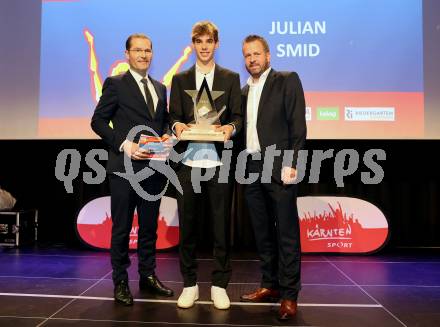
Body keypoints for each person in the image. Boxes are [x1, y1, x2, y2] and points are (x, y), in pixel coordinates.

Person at [91, 33, 173, 306]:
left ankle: (148, 277)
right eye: (137, 50)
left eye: (147, 50)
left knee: (149, 228)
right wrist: (123, 144)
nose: (143, 55)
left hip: (154, 169)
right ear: (127, 54)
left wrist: (167, 136)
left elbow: (163, 123)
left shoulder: (161, 87)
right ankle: (121, 282)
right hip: (124, 169)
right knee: (122, 228)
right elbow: (98, 122)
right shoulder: (115, 84)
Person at [169, 21, 242, 310]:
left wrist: (230, 129)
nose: (203, 46)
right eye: (198, 41)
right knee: (187, 227)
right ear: (193, 43)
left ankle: (219, 285)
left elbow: (238, 116)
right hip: (187, 162)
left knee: (221, 227)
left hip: (219, 163)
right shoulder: (180, 79)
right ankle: (189, 284)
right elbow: (172, 115)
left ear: (216, 44)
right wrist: (176, 126)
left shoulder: (230, 78)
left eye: (208, 41)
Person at [239, 35, 306, 320]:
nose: (252, 59)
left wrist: (292, 163)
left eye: (256, 54)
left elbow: (298, 126)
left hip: (279, 166)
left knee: (287, 234)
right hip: (250, 166)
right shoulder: (242, 91)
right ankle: (270, 285)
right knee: (262, 231)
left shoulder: (287, 79)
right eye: (247, 55)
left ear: (268, 55)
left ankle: (290, 295)